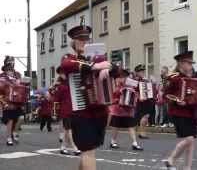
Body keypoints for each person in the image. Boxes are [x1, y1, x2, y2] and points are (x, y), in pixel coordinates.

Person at [60, 24, 111, 170]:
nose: (84, 41)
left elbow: (117, 70)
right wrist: (94, 67)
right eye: (80, 39)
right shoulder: (69, 58)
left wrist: (109, 68)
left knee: (89, 151)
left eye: (86, 39)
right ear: (73, 42)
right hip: (81, 112)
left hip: (99, 111)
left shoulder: (98, 58)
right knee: (88, 151)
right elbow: (66, 65)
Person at [164, 51, 197, 170]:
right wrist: (176, 101)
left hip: (191, 112)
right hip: (178, 112)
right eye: (188, 63)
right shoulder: (174, 78)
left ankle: (187, 167)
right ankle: (171, 159)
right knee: (188, 139)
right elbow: (165, 94)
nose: (191, 65)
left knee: (190, 142)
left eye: (191, 63)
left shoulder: (194, 78)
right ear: (181, 63)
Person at [108, 68, 143, 151]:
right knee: (116, 126)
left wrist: (137, 97)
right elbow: (112, 96)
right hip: (117, 109)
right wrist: (118, 98)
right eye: (121, 77)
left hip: (128, 110)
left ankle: (134, 143)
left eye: (125, 77)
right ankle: (113, 141)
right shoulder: (114, 85)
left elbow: (135, 93)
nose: (123, 79)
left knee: (131, 126)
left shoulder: (130, 84)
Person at [51, 66, 80, 155]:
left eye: (64, 72)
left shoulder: (71, 83)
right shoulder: (59, 85)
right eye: (61, 73)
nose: (63, 74)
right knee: (69, 128)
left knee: (68, 129)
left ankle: (63, 147)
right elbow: (56, 99)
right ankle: (74, 147)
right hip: (65, 110)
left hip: (73, 108)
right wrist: (55, 112)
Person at [0, 56, 24, 146]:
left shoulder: (17, 74)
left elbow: (23, 85)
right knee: (10, 120)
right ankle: (9, 138)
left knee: (21, 118)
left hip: (18, 100)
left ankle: (15, 132)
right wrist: (3, 103)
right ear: (5, 64)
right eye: (9, 62)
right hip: (7, 100)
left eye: (12, 61)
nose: (11, 63)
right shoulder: (2, 76)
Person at [134, 64, 153, 139]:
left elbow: (148, 89)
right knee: (144, 116)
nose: (142, 72)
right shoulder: (136, 80)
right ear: (137, 72)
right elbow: (134, 91)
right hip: (141, 101)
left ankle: (142, 131)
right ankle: (141, 133)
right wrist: (139, 97)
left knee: (146, 116)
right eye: (141, 71)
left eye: (143, 71)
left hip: (147, 100)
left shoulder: (145, 80)